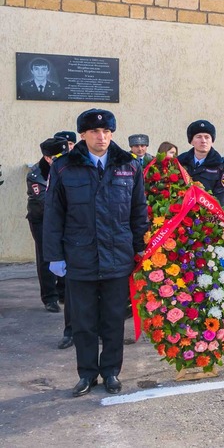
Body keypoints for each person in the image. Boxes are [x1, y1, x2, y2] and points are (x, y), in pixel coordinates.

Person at [42, 109, 148, 397]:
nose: (101, 137)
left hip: (117, 256)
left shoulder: (129, 165)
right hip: (80, 256)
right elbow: (53, 214)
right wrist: (55, 256)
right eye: (94, 132)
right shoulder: (64, 167)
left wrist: (140, 249)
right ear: (83, 135)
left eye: (106, 132)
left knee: (114, 320)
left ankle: (111, 371)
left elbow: (139, 211)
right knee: (84, 322)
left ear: (112, 134)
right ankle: (87, 374)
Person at [27, 137, 68, 317]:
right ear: (47, 158)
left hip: (64, 219)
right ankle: (49, 297)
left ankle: (63, 292)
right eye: (57, 156)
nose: (62, 158)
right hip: (42, 220)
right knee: (46, 257)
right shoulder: (36, 175)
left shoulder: (68, 168)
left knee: (67, 253)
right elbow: (45, 203)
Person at [177, 120, 224, 207]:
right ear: (191, 141)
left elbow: (221, 198)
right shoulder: (180, 161)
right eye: (199, 137)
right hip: (181, 212)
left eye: (207, 137)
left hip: (208, 215)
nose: (203, 141)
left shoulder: (221, 166)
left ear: (212, 141)